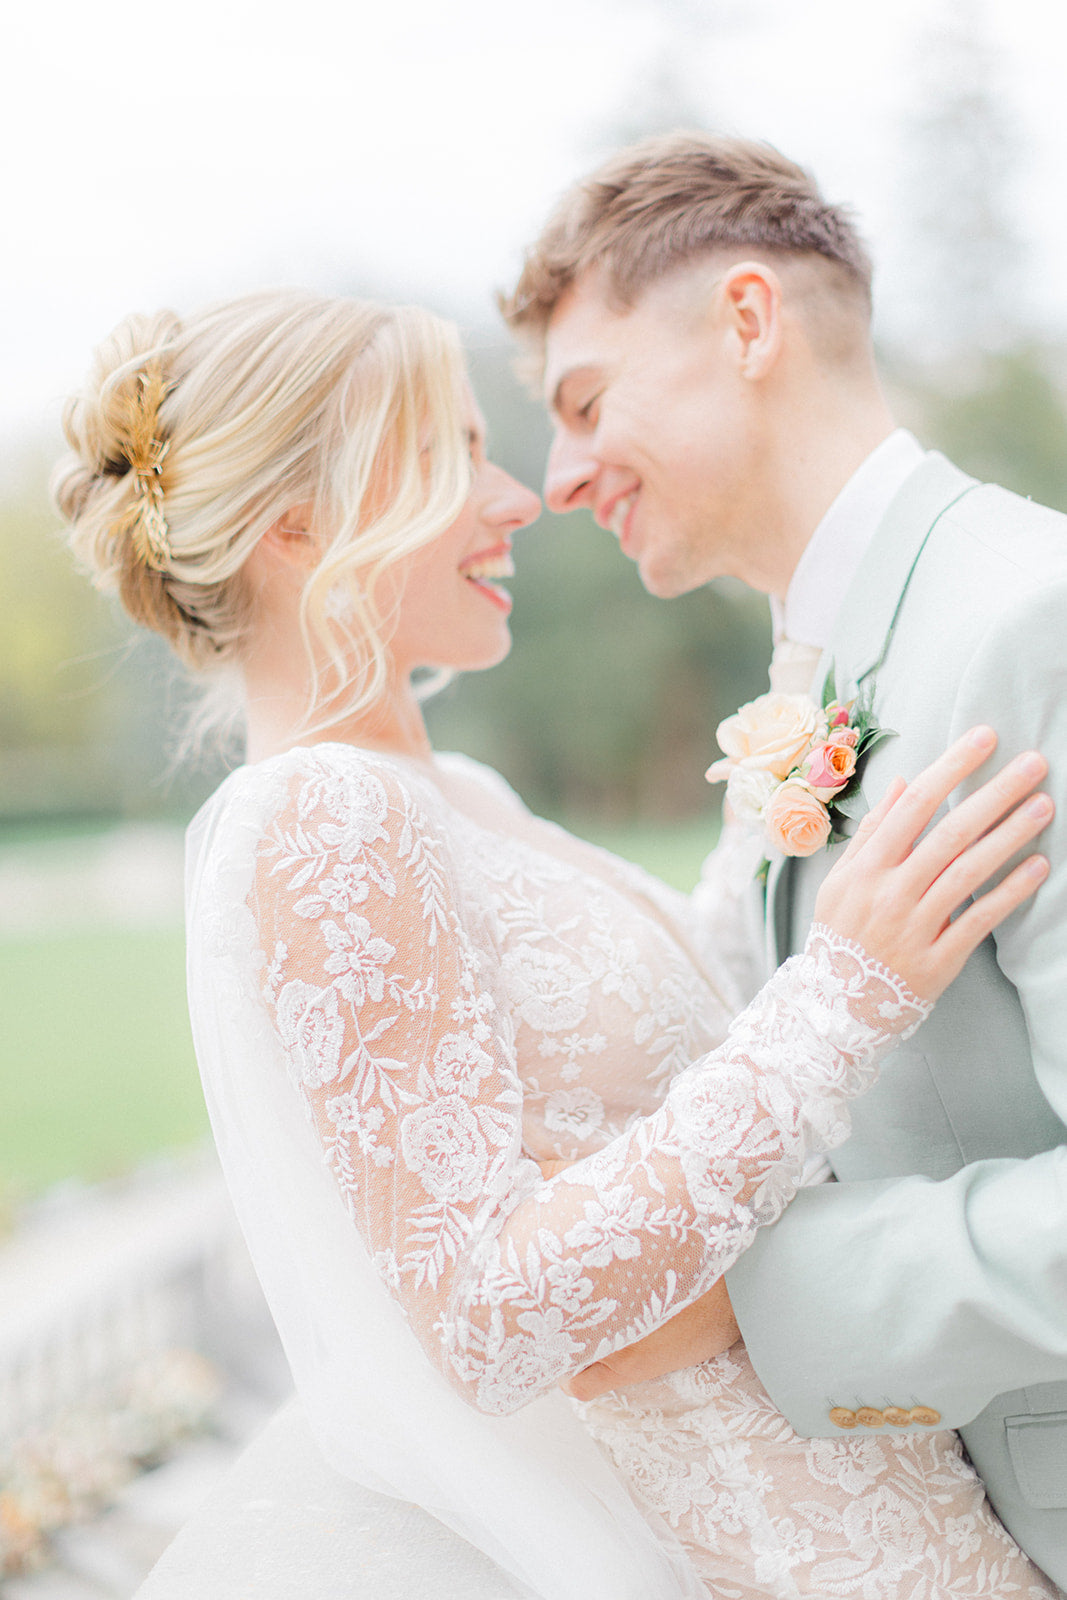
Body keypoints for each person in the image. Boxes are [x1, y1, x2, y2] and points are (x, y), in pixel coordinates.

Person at [53, 289, 1056, 1600]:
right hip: (768, 1549)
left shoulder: (456, 797)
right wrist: (846, 995)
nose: (519, 498)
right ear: (295, 526)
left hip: (882, 1496)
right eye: (451, 455)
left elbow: (658, 1054)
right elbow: (489, 1314)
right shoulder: (323, 819)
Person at [503, 131, 1067, 1589]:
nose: (559, 477)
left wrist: (761, 1301)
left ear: (749, 322)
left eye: (587, 401)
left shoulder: (1030, 622)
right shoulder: (819, 666)